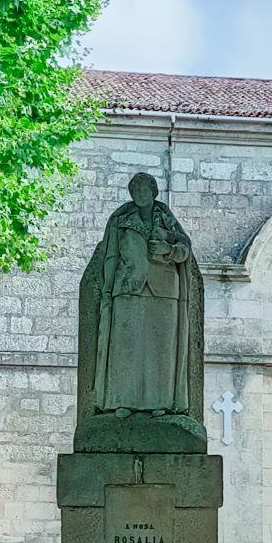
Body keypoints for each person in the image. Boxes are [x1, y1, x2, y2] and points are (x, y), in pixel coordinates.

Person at [93, 173, 193, 417]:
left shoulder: (167, 220)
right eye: (135, 189)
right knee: (125, 347)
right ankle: (122, 400)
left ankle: (161, 401)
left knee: (161, 348)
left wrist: (168, 250)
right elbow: (112, 255)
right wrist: (108, 288)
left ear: (154, 191)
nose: (139, 193)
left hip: (165, 290)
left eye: (144, 188)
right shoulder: (121, 219)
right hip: (128, 287)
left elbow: (185, 250)